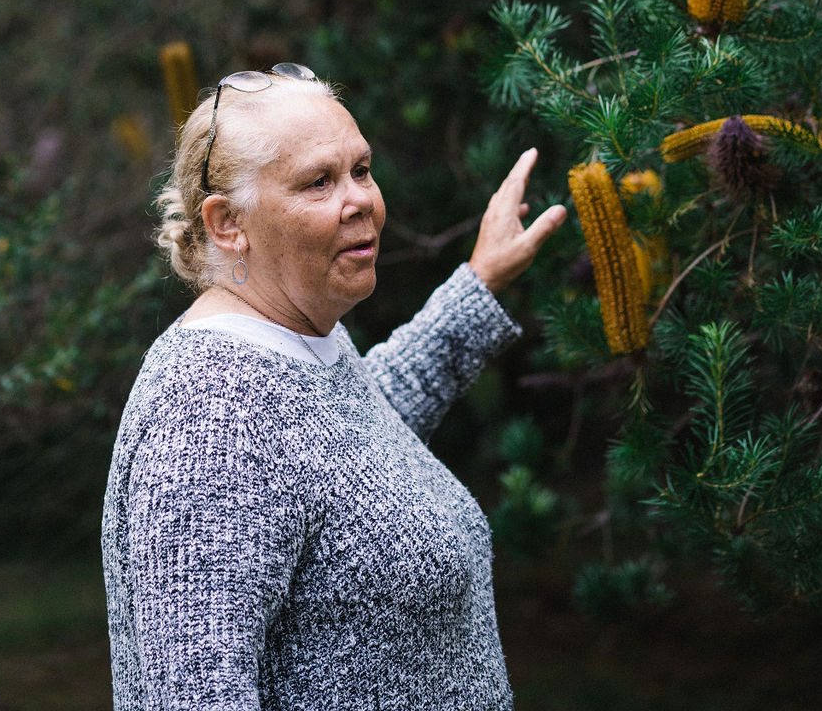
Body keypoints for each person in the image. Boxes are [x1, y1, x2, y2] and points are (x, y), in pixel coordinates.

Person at [102, 64, 567, 710]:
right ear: (227, 222)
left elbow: (351, 458)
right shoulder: (209, 411)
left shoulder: (296, 341)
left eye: (362, 170)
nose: (360, 200)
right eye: (318, 181)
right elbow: (194, 693)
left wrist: (478, 282)